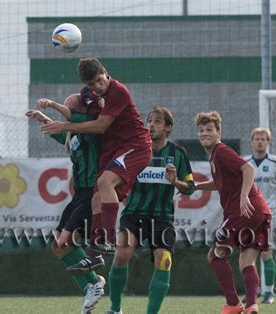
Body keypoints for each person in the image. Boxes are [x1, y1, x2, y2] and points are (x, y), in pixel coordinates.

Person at [41, 58, 152, 271]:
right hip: (113, 151)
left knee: (105, 182)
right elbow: (77, 107)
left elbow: (100, 126)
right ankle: (95, 255)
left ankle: (107, 239)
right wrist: (55, 108)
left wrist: (65, 126)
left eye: (100, 80)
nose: (98, 86)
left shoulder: (118, 91)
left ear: (106, 73)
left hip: (135, 145)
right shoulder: (89, 93)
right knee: (96, 199)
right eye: (92, 84)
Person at [106, 107, 195, 314]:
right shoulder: (134, 150)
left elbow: (190, 188)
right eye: (149, 121)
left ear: (168, 127)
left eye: (156, 121)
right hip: (134, 214)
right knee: (121, 255)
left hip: (162, 217)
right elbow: (115, 177)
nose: (151, 125)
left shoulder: (178, 153)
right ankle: (115, 308)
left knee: (164, 259)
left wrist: (176, 182)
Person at [26, 94, 105, 314]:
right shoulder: (74, 136)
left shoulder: (88, 132)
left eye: (69, 109)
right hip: (80, 193)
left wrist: (53, 107)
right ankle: (93, 283)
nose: (65, 111)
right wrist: (43, 119)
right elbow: (63, 134)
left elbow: (77, 125)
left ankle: (95, 284)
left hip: (93, 191)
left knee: (65, 240)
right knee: (58, 246)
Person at [194, 111, 271, 314]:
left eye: (209, 129)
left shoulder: (221, 151)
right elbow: (220, 183)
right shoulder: (215, 157)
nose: (204, 133)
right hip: (260, 211)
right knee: (247, 261)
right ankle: (252, 305)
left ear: (219, 132)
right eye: (201, 130)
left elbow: (248, 169)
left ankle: (233, 304)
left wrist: (244, 196)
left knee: (215, 255)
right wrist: (196, 185)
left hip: (243, 209)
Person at [246, 127, 276, 305]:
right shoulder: (245, 163)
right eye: (257, 139)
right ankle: (253, 291)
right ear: (252, 142)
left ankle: (269, 293)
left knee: (266, 252)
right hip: (250, 214)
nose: (260, 142)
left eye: (263, 139)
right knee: (249, 253)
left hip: (270, 213)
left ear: (268, 142)